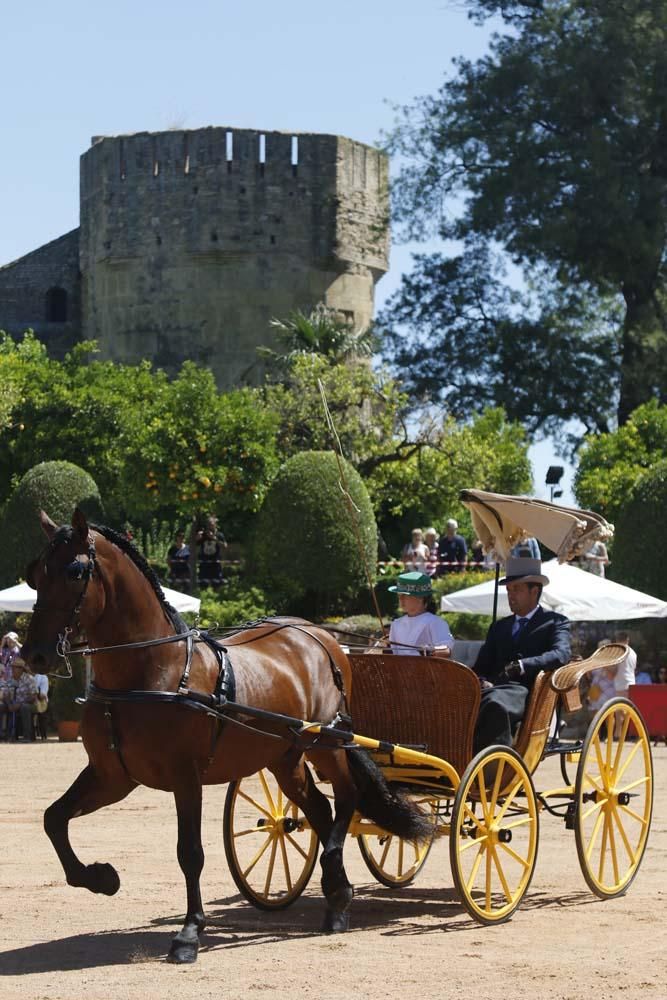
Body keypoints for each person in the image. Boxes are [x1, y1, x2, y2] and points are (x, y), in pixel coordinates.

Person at [472, 557, 571, 752]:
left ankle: (493, 766)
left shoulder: (555, 622)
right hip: (494, 689)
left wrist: (524, 664)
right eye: (508, 590)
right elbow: (481, 665)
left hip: (527, 692)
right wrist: (480, 679)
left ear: (534, 591)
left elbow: (562, 654)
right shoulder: (499, 627)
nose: (510, 595)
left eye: (516, 589)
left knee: (494, 703)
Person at [388, 571, 454, 657]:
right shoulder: (396, 623)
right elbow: (392, 655)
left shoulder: (435, 622)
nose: (401, 599)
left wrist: (431, 651)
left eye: (405, 595)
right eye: (399, 595)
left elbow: (446, 649)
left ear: (420, 598)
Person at [0, 658, 37, 741]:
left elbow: (33, 696)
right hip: (13, 703)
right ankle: (3, 734)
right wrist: (9, 704)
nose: (12, 669)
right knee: (1, 706)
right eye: (12, 667)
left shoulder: (29, 679)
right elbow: (5, 694)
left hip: (29, 704)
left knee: (24, 707)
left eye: (15, 667)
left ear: (21, 669)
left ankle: (27, 736)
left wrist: (20, 704)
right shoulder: (10, 680)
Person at [613, 631, 637, 699]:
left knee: (621, 709)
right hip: (632, 684)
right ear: (628, 640)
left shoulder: (618, 651)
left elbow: (614, 670)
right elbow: (633, 670)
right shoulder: (633, 653)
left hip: (622, 687)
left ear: (616, 640)